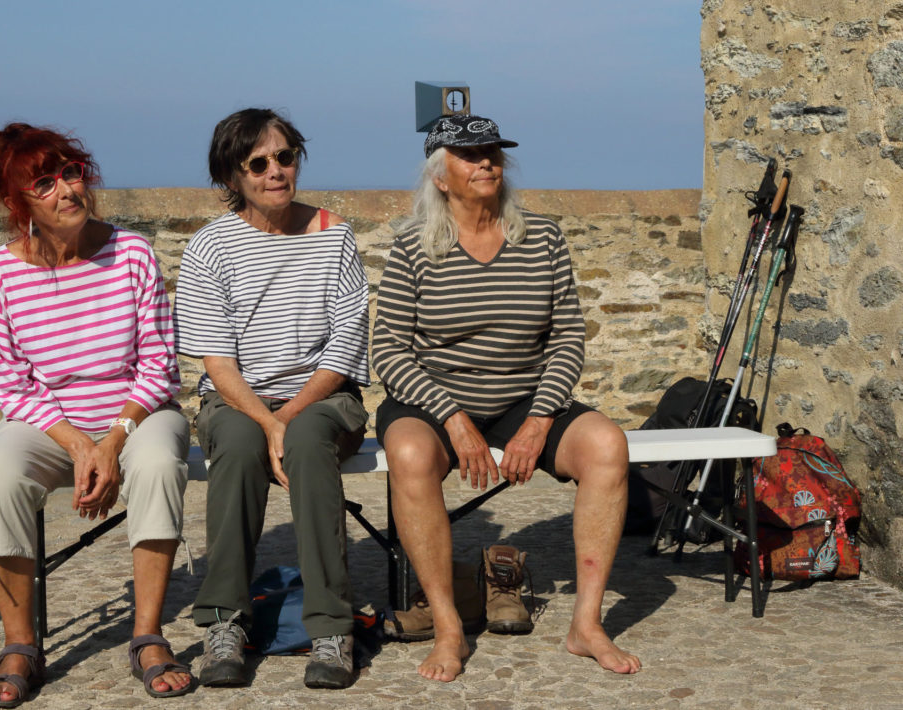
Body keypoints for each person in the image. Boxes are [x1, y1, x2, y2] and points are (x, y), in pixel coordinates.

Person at [372, 114, 642, 682]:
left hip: (524, 397)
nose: (486, 162)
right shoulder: (412, 246)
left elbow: (568, 336)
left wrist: (542, 417)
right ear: (440, 176)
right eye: (469, 155)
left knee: (607, 445)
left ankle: (585, 625)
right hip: (432, 399)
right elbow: (390, 351)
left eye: (492, 152)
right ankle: (448, 626)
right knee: (411, 457)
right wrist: (453, 418)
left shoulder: (541, 237)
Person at [0, 123, 193, 706]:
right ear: (18, 203)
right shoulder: (0, 271)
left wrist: (113, 441)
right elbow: (6, 381)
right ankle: (20, 645)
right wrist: (77, 445)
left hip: (135, 414)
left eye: (71, 173)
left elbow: (159, 367)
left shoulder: (132, 254)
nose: (67, 189)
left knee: (161, 465)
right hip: (50, 424)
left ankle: (147, 634)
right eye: (45, 182)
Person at [173, 108, 370, 690]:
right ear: (232, 178)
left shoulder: (335, 233)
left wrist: (284, 418)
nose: (276, 171)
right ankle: (224, 622)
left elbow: (347, 340)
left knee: (308, 442)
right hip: (239, 400)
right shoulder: (211, 247)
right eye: (258, 163)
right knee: (235, 443)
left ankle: (332, 626)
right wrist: (264, 419)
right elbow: (216, 361)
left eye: (285, 157)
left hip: (322, 397)